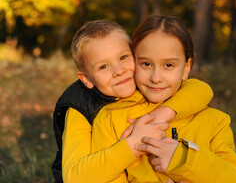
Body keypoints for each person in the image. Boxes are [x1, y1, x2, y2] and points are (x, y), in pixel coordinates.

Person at [91, 15, 236, 183]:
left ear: (186, 67)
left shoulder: (215, 122)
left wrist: (182, 159)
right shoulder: (112, 118)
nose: (156, 78)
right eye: (146, 64)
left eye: (168, 65)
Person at [52, 20, 213, 182]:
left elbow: (200, 89)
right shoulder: (80, 108)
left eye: (123, 57)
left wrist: (163, 113)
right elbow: (74, 177)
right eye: (103, 67)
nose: (119, 71)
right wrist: (132, 144)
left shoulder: (144, 83)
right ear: (86, 79)